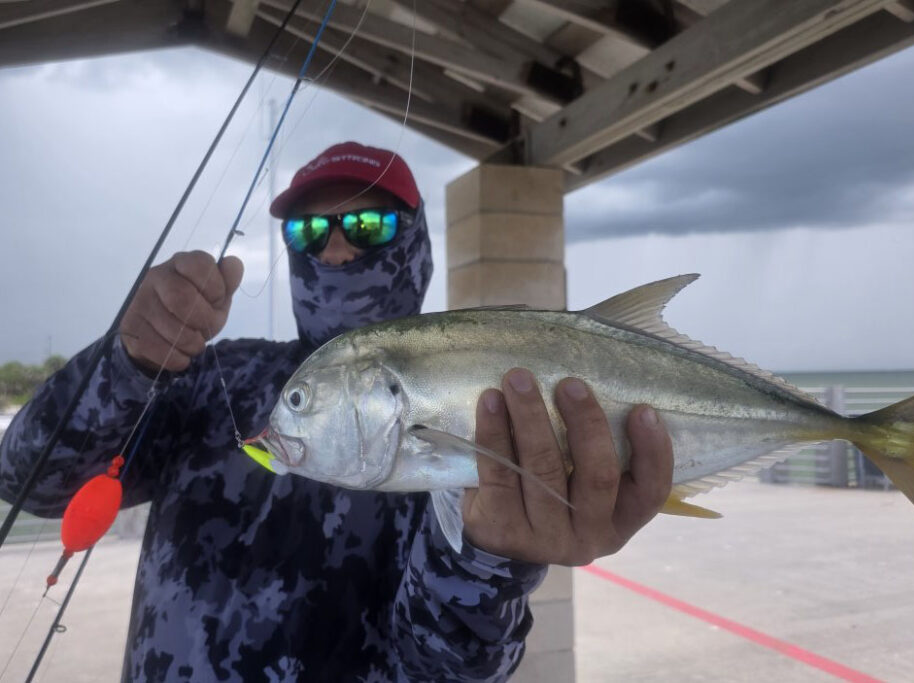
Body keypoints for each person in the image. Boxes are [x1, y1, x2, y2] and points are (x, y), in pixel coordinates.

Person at [0, 142, 673, 682]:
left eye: (367, 224)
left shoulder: (470, 409)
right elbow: (28, 479)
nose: (337, 248)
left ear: (415, 241)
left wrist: (487, 562)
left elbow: (450, 671)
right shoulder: (217, 380)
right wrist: (128, 359)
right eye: (309, 230)